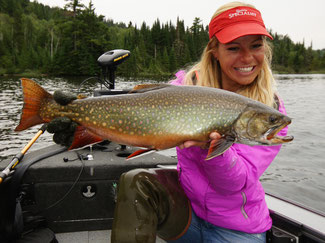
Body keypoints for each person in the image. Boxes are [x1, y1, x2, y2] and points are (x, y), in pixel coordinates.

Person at [48, 2, 289, 242]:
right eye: (234, 48)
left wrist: (210, 147)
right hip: (187, 215)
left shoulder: (271, 109)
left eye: (256, 45)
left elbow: (233, 185)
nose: (247, 57)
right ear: (214, 51)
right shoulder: (185, 89)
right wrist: (82, 123)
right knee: (135, 182)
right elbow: (134, 116)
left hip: (237, 228)